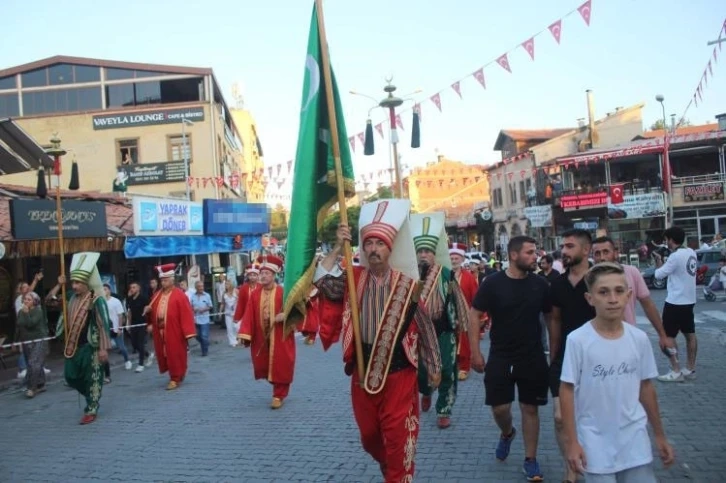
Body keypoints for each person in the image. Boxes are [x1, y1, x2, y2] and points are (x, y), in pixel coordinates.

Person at [314, 199, 442, 483]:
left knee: (398, 438)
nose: (373, 249)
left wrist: (433, 363)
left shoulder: (407, 284)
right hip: (363, 371)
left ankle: (397, 475)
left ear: (390, 249)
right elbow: (321, 280)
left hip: (399, 373)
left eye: (379, 244)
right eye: (368, 243)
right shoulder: (353, 278)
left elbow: (424, 325)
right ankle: (390, 466)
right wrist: (337, 246)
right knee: (370, 437)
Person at [560, 263, 675, 482]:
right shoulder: (578, 340)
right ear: (590, 298)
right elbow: (566, 390)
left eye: (619, 291)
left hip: (635, 441)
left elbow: (646, 387)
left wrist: (659, 434)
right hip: (595, 442)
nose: (612, 299)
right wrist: (572, 442)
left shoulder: (638, 339)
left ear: (629, 295)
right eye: (603, 292)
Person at [469, 235, 550, 482]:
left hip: (532, 355)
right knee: (500, 408)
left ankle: (530, 460)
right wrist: (475, 352)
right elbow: (474, 315)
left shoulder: (540, 285)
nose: (534, 256)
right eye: (529, 252)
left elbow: (551, 318)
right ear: (513, 255)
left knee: (530, 407)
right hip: (501, 354)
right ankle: (507, 433)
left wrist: (555, 352)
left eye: (535, 252)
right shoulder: (492, 283)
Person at [411, 213, 470, 429]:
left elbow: (457, 300)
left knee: (447, 370)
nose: (424, 255)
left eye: (427, 251)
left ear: (434, 253)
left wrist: (460, 324)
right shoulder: (409, 276)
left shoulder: (446, 274)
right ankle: (426, 391)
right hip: (418, 333)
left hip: (443, 331)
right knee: (421, 373)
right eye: (420, 251)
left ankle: (444, 409)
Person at [548, 229, 595, 483]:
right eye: (563, 246)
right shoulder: (556, 283)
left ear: (586, 250)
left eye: (570, 246)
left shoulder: (599, 280)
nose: (564, 251)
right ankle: (570, 468)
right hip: (564, 358)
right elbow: (554, 320)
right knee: (558, 417)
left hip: (595, 360)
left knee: (590, 415)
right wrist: (554, 356)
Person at [48, 252, 112, 425]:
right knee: (70, 377)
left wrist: (103, 348)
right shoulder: (69, 296)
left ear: (86, 283)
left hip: (90, 347)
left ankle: (92, 407)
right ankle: (92, 396)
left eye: (78, 283)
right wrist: (58, 284)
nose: (74, 286)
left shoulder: (95, 299)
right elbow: (49, 301)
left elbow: (102, 324)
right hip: (72, 347)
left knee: (93, 378)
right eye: (73, 282)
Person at [238, 255, 295, 409]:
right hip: (261, 336)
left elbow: (297, 310)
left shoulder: (284, 292)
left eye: (266, 274)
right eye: (261, 273)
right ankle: (276, 386)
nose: (262, 276)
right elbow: (249, 314)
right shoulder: (255, 294)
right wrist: (245, 334)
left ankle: (279, 394)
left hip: (280, 336)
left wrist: (285, 315)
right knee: (266, 364)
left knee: (282, 364)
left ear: (274, 275)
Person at [591, 237, 671, 347]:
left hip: (629, 337)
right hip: (598, 340)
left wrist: (663, 335)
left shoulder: (632, 272)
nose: (602, 258)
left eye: (606, 252)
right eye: (597, 253)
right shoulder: (589, 279)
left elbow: (648, 305)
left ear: (615, 253)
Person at [653, 226, 698, 382]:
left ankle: (675, 370)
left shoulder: (675, 257)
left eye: (667, 240)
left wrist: (658, 261)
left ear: (671, 240)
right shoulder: (691, 252)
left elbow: (659, 275)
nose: (667, 243)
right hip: (689, 300)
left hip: (675, 302)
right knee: (690, 334)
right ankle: (690, 368)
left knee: (667, 337)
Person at [145, 263, 197, 390]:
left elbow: (186, 314)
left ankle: (175, 378)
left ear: (172, 280)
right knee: (165, 354)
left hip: (175, 331)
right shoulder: (156, 295)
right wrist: (149, 319)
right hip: (160, 331)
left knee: (175, 354)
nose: (163, 283)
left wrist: (188, 333)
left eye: (166, 280)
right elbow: (152, 312)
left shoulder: (180, 295)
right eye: (162, 280)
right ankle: (178, 373)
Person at [449, 242, 478, 381]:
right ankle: (451, 366)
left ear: (461, 260)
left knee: (464, 342)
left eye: (456, 259)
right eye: (452, 259)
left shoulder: (469, 277)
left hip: (465, 315)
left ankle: (464, 367)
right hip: (448, 316)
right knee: (449, 341)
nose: (454, 261)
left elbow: (476, 297)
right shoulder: (444, 275)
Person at [16, 291, 47, 398]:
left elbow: (30, 324)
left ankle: (32, 388)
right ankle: (41, 383)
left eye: (29, 300)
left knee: (33, 362)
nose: (26, 301)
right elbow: (19, 325)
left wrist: (26, 313)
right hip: (26, 341)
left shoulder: (38, 311)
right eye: (25, 299)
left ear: (34, 301)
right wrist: (16, 341)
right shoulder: (21, 311)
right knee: (33, 363)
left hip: (38, 340)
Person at [126, 282, 151, 372]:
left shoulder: (143, 298)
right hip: (133, 324)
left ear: (138, 288)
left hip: (142, 324)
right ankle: (147, 354)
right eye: (131, 287)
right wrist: (128, 324)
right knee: (134, 344)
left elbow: (149, 309)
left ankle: (141, 364)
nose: (132, 289)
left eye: (134, 287)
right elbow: (129, 312)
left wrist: (149, 323)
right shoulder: (130, 299)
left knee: (140, 343)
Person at [190, 281, 213, 357]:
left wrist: (204, 309)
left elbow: (210, 306)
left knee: (204, 335)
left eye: (202, 286)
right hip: (195, 320)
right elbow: (190, 307)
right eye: (199, 286)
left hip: (205, 320)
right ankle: (205, 343)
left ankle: (204, 351)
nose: (201, 288)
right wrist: (193, 309)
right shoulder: (192, 296)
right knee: (196, 335)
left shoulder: (207, 295)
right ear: (196, 287)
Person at [233, 264, 260, 329]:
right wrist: (237, 317)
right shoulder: (243, 288)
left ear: (257, 276)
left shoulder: (261, 287)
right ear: (248, 276)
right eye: (250, 275)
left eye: (254, 275)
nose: (252, 277)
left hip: (259, 315)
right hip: (246, 314)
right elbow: (240, 304)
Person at [221, 279, 239, 347]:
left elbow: (241, 301)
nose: (226, 286)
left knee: (236, 327)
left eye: (227, 284)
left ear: (231, 285)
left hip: (236, 313)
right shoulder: (224, 294)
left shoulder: (236, 291)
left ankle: (237, 338)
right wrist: (220, 311)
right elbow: (223, 303)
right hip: (228, 313)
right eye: (225, 284)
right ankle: (232, 342)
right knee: (229, 328)